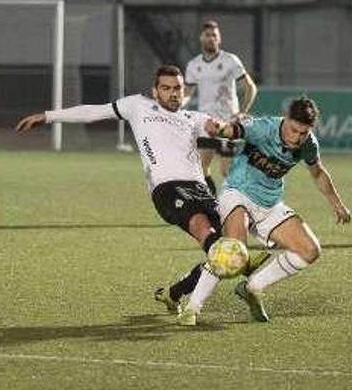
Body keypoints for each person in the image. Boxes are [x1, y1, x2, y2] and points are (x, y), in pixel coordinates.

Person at [15, 65, 264, 317]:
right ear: (155, 92)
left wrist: (227, 127)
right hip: (167, 188)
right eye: (166, 88)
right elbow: (94, 112)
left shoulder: (193, 118)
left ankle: (174, 292)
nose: (173, 93)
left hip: (199, 189)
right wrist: (47, 116)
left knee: (224, 253)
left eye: (177, 88)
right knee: (206, 231)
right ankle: (242, 266)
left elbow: (225, 131)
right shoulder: (138, 106)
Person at [177, 96, 352, 326]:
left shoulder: (308, 143)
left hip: (269, 204)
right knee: (232, 249)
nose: (297, 138)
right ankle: (192, 308)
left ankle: (253, 287)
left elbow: (318, 172)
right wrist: (219, 127)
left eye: (303, 133)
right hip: (237, 192)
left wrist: (336, 202)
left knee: (310, 250)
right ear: (286, 119)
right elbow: (234, 130)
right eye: (293, 130)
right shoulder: (264, 128)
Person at [185, 21, 258, 194]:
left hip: (227, 124)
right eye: (208, 35)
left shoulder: (230, 60)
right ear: (201, 38)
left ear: (220, 39)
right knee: (200, 169)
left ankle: (242, 205)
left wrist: (242, 112)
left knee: (226, 171)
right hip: (206, 123)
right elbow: (187, 93)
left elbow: (251, 87)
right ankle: (214, 205)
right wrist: (175, 105)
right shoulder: (193, 65)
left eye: (214, 35)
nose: (211, 38)